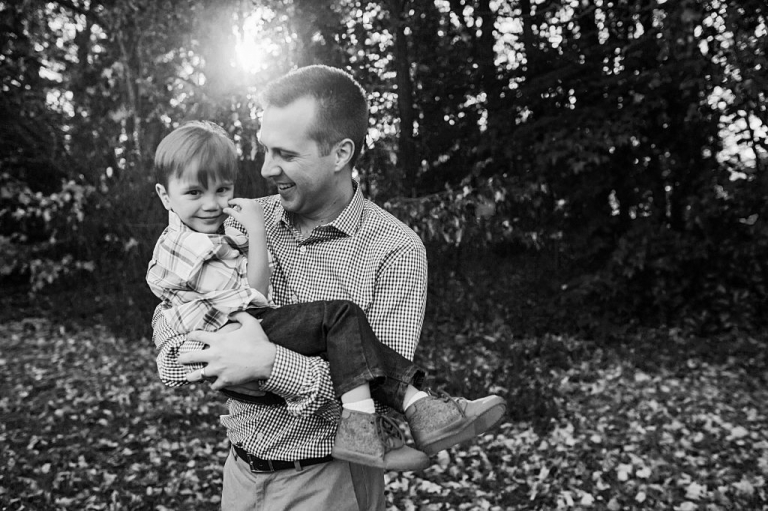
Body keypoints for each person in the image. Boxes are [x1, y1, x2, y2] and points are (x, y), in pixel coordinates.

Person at [151, 65, 506, 510]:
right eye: (264, 149)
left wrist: (267, 363)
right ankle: (431, 409)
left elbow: (374, 387)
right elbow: (175, 305)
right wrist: (197, 356)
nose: (265, 169)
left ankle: (428, 412)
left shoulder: (395, 248)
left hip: (334, 484)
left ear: (340, 153)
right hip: (241, 475)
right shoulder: (244, 217)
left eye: (285, 154)